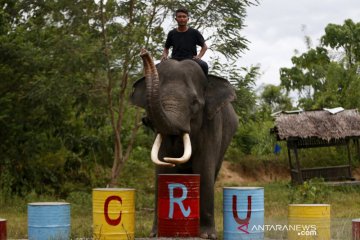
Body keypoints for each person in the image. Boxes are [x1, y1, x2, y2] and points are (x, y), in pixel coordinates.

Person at [161, 8, 209, 75]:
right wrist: (165, 55)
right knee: (158, 67)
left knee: (204, 65)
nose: (182, 19)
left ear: (188, 19)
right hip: (174, 59)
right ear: (176, 19)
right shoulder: (171, 33)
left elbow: (204, 47)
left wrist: (199, 56)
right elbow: (166, 48)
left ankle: (205, 84)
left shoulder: (194, 32)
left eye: (184, 16)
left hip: (191, 59)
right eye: (179, 17)